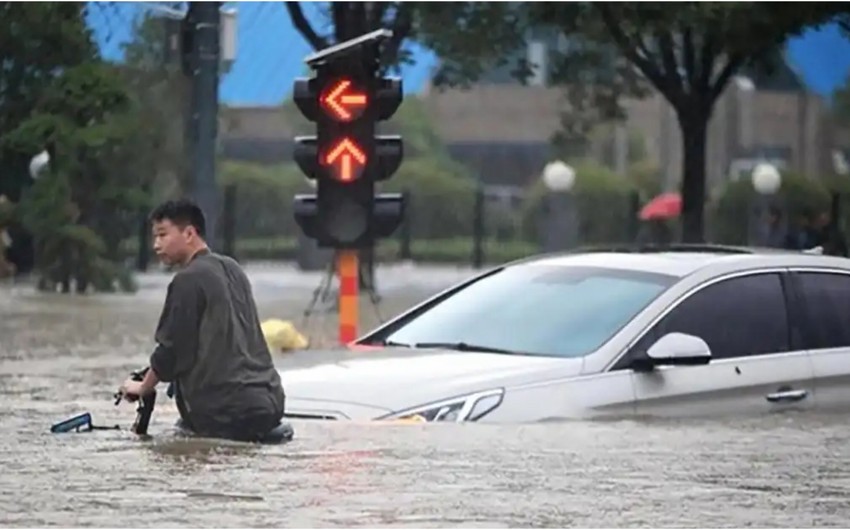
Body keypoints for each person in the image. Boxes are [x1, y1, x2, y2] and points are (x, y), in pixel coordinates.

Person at [118, 198, 287, 442]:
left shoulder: (187, 280)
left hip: (223, 412)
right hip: (270, 403)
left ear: (189, 233)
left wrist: (143, 387)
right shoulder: (233, 268)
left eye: (163, 235)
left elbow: (171, 352)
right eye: (155, 237)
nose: (156, 245)